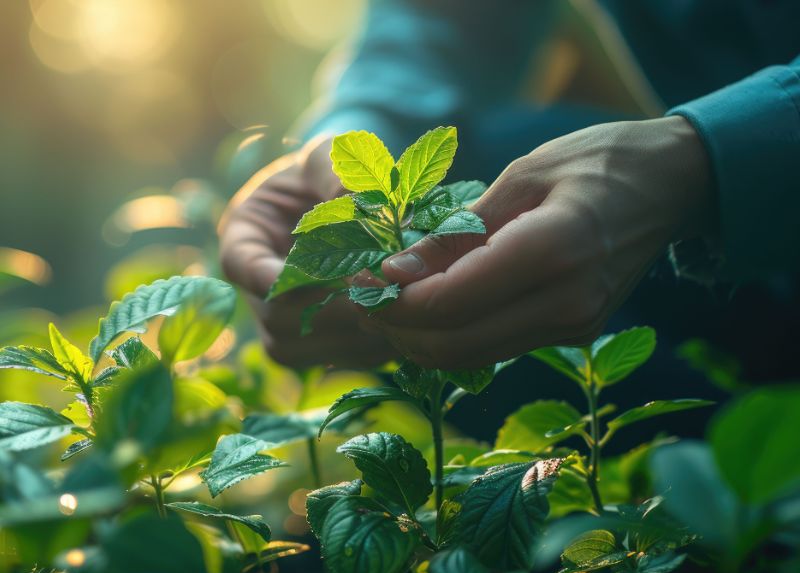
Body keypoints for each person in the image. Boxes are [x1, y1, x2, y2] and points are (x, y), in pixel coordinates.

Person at [219, 0, 800, 376]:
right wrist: (354, 123)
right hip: (736, 261)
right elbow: (444, 19)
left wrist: (705, 160)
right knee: (476, 186)